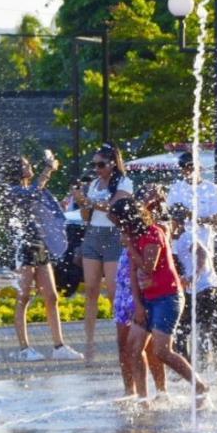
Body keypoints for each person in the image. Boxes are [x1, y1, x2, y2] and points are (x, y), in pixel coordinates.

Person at [113, 197, 209, 405]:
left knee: (161, 351)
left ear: (129, 220)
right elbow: (133, 274)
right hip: (147, 300)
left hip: (168, 298)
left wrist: (129, 245)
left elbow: (149, 267)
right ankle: (142, 398)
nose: (118, 229)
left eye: (119, 223)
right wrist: (138, 305)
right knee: (133, 347)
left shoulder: (153, 234)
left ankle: (199, 385)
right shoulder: (134, 237)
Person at [6, 155, 81, 362]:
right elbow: (32, 194)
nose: (29, 166)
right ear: (16, 170)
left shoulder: (32, 189)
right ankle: (24, 349)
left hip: (40, 244)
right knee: (24, 298)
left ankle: (59, 346)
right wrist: (48, 169)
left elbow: (46, 207)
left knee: (52, 296)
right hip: (23, 245)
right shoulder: (13, 191)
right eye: (25, 164)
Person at [71, 144, 133, 360]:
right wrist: (81, 201)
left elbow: (114, 206)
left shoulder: (124, 182)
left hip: (114, 235)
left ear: (113, 164)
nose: (97, 169)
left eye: (101, 164)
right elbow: (87, 217)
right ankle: (89, 344)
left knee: (114, 292)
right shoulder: (94, 184)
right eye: (94, 164)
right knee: (90, 290)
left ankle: (122, 341)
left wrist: (88, 201)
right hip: (93, 236)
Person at [169, 204, 217, 381]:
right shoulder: (180, 237)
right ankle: (188, 369)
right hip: (198, 289)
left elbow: (203, 253)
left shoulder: (187, 236)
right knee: (182, 329)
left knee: (212, 329)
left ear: (176, 222)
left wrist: (194, 275)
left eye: (170, 221)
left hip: (206, 288)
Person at [165, 149, 217, 251]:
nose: (188, 171)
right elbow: (168, 218)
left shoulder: (211, 189)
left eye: (192, 167)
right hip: (179, 245)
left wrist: (192, 217)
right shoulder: (176, 188)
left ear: (200, 168)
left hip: (203, 245)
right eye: (184, 168)